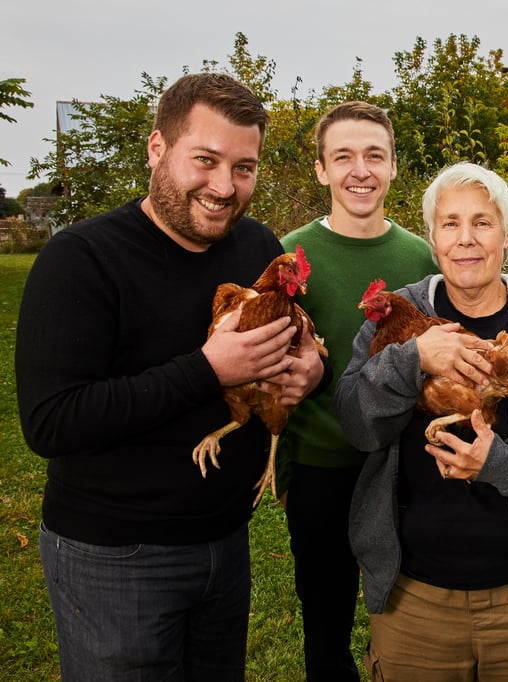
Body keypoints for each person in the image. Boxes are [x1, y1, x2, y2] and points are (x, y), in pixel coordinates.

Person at [15, 73, 327, 681]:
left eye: (244, 167)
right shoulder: (82, 260)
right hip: (113, 555)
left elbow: (292, 353)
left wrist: (310, 370)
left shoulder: (255, 245)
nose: (223, 186)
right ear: (158, 149)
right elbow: (52, 422)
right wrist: (207, 370)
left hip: (222, 544)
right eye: (205, 160)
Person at [335, 161, 508, 681]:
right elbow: (355, 422)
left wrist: (498, 462)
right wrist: (413, 359)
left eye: (482, 222)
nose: (466, 239)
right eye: (450, 223)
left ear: (506, 234)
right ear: (432, 239)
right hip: (415, 599)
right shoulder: (398, 314)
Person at [277, 101, 437, 680]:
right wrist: (289, 473)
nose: (359, 170)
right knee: (327, 628)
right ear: (321, 170)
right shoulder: (294, 253)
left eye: (374, 155)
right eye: (343, 156)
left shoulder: (421, 256)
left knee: (407, 617)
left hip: (401, 464)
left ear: (394, 166)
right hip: (322, 466)